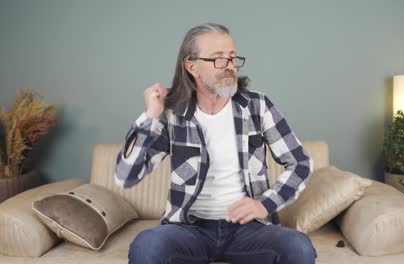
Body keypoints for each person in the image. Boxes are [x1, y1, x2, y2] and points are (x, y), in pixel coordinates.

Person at [115, 23, 316, 264]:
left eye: (232, 58)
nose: (229, 66)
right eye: (218, 59)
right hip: (189, 230)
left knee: (299, 246)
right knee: (147, 245)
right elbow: (125, 176)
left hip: (249, 230)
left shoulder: (258, 107)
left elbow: (301, 163)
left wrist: (265, 204)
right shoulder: (172, 114)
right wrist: (150, 115)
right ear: (192, 66)